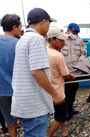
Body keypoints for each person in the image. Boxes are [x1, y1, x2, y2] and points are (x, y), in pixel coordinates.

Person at [11, 8, 64, 137]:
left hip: (23, 102)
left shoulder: (22, 39)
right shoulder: (36, 39)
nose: (49, 26)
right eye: (49, 23)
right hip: (35, 105)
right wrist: (55, 94)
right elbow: (37, 71)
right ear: (43, 21)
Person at [46, 28, 75, 137]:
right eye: (61, 40)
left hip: (47, 90)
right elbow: (66, 75)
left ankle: (64, 129)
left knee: (57, 112)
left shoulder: (45, 50)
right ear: (52, 39)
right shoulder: (58, 56)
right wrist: (72, 77)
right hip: (57, 92)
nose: (64, 42)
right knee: (60, 116)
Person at [0, 14, 22, 137]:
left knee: (10, 121)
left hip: (1, 90)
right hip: (16, 89)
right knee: (26, 118)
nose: (21, 29)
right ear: (14, 27)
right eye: (20, 27)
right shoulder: (18, 44)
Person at [61, 23, 86, 120]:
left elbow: (83, 53)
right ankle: (65, 111)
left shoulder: (79, 40)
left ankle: (71, 108)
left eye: (76, 32)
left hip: (76, 71)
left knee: (74, 90)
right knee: (65, 92)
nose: (74, 34)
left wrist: (80, 62)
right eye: (73, 32)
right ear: (68, 29)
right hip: (65, 71)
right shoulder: (62, 39)